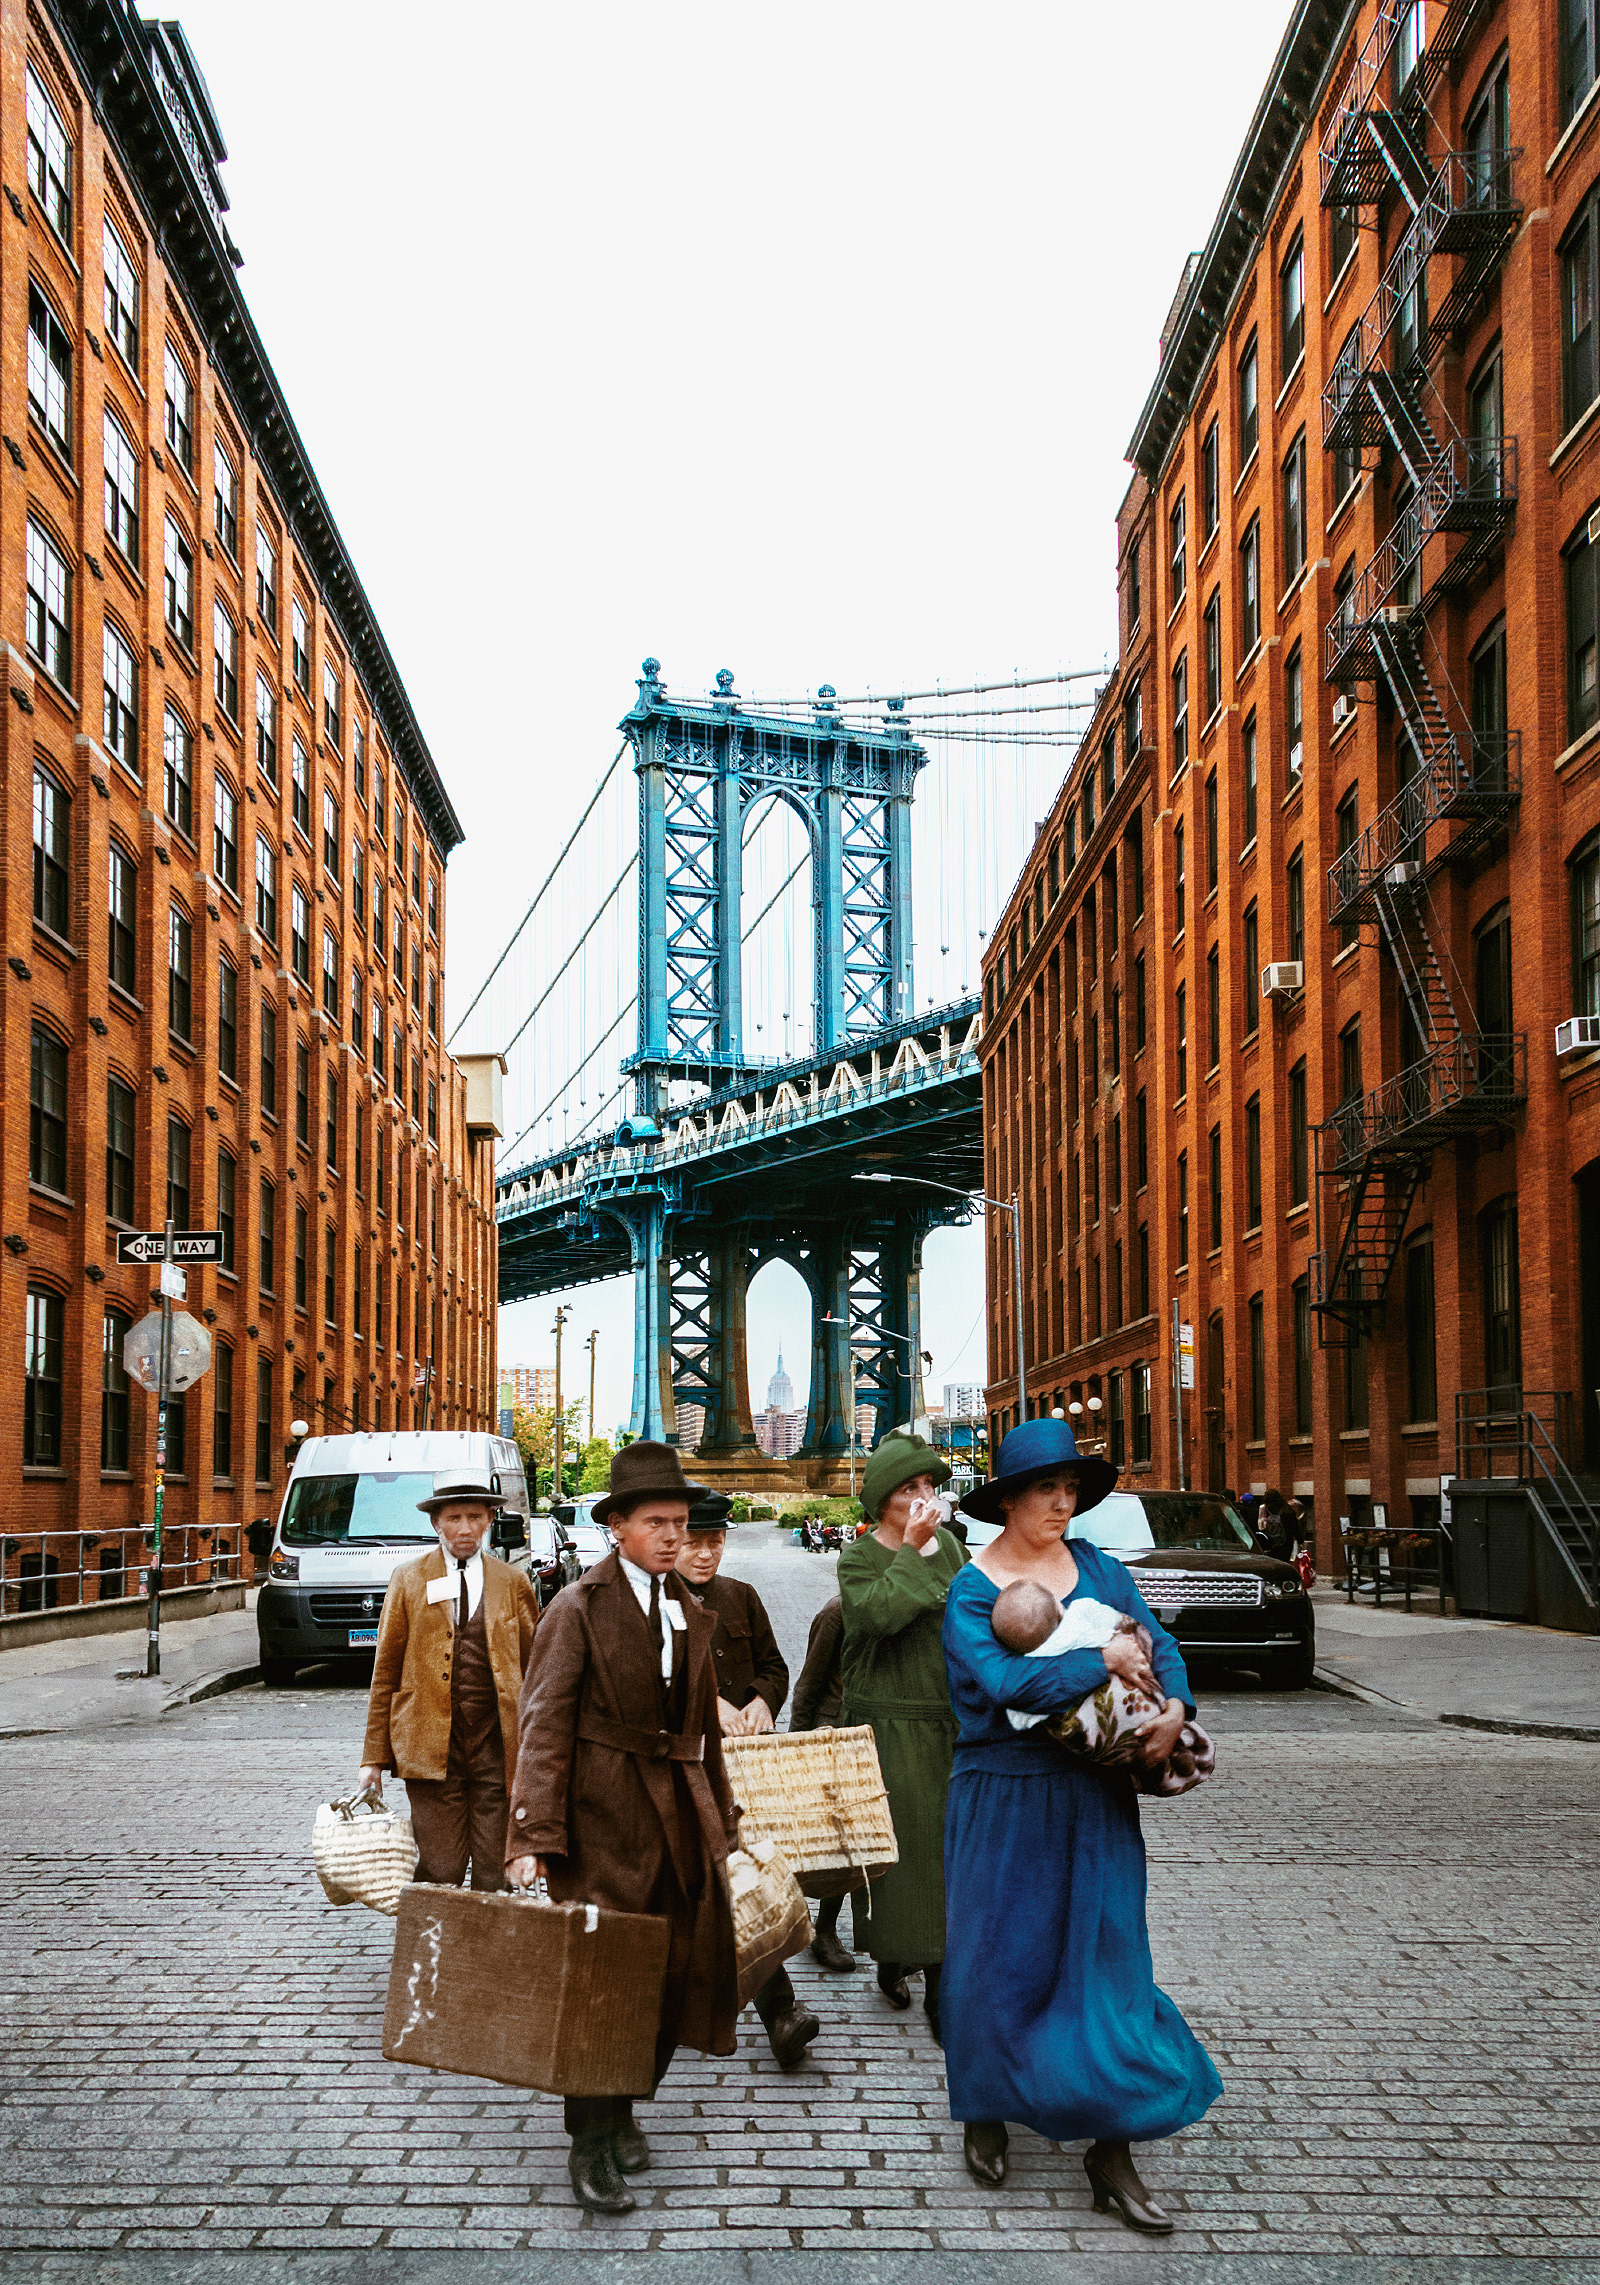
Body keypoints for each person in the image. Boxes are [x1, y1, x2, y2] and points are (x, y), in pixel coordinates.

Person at [941, 1418, 1222, 2230]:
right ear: (1007, 1499)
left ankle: (1112, 2146)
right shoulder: (973, 1587)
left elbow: (1157, 1642)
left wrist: (1174, 1706)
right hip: (1004, 1791)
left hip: (1094, 1796)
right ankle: (986, 2110)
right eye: (1044, 1489)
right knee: (998, 1959)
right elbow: (1002, 1680)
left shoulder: (1096, 1566)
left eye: (1069, 1489)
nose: (1060, 1503)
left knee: (1107, 1959)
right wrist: (1097, 1659)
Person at [505, 1442, 739, 2217]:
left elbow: (703, 1725)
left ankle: (628, 2101)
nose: (673, 1537)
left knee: (671, 1971)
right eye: (656, 1523)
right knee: (605, 1985)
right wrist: (532, 1836)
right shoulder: (577, 1607)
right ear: (617, 1527)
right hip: (600, 1819)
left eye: (680, 1522)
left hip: (679, 1816)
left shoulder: (687, 1608)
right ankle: (589, 2138)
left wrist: (725, 1821)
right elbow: (542, 1725)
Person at [674, 1493, 820, 2069]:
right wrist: (709, 1706)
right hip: (678, 1775)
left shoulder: (742, 1597)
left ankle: (780, 2012)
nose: (706, 1553)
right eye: (694, 1541)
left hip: (741, 1774)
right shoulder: (649, 1605)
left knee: (741, 1881)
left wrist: (762, 1701)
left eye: (716, 1541)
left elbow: (774, 1667)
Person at [836, 1428, 966, 2041]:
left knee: (944, 1857)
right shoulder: (859, 1556)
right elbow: (875, 1617)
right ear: (883, 1499)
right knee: (900, 1859)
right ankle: (895, 1958)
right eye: (909, 1487)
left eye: (929, 1486)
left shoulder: (955, 1549)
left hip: (946, 1718)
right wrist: (913, 1552)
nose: (924, 1498)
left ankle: (943, 1987)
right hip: (886, 1723)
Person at [358, 1468, 540, 1890]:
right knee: (440, 1867)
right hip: (428, 1743)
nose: (465, 1529)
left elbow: (535, 1670)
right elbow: (385, 1671)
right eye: (454, 1518)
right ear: (435, 1522)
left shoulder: (512, 1582)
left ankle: (485, 1952)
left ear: (490, 1520)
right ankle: (436, 1950)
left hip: (496, 1744)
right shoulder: (408, 1578)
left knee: (497, 1868)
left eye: (475, 1517)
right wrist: (373, 1758)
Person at [787, 1595, 854, 1973]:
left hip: (871, 1735)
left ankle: (826, 1925)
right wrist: (796, 1746)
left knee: (853, 1839)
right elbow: (809, 1683)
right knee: (827, 1837)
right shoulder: (836, 1611)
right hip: (831, 1733)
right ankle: (815, 1929)